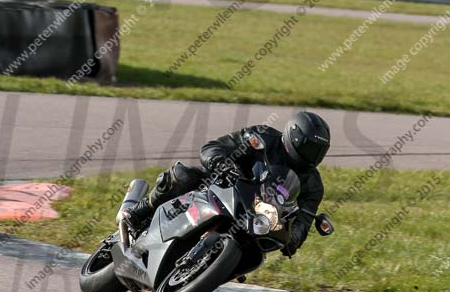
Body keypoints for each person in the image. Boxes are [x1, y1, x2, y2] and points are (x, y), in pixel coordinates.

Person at [124, 110, 330, 257]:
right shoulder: (264, 136)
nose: (314, 156)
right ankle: (141, 211)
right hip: (224, 185)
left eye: (320, 151)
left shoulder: (313, 185)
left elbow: (303, 220)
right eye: (310, 148)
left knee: (259, 252)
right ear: (294, 136)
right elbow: (214, 146)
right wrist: (219, 161)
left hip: (259, 219)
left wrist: (292, 239)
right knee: (182, 176)